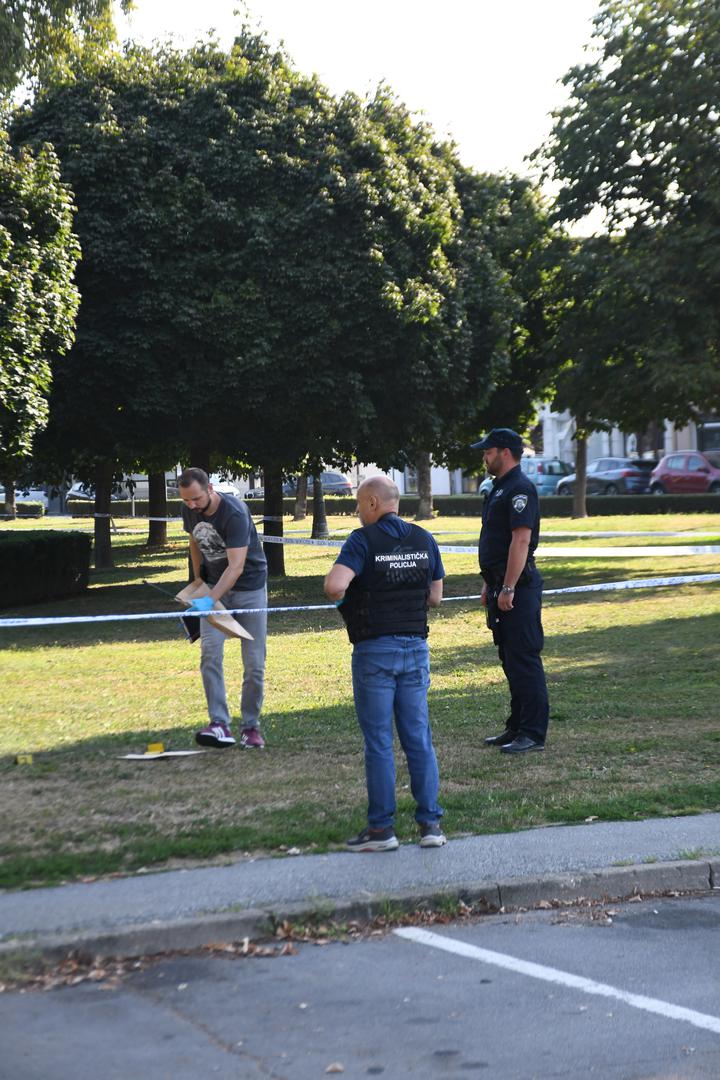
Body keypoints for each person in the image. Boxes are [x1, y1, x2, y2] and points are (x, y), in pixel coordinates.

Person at [324, 476, 446, 852]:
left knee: (379, 741)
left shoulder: (363, 540)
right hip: (415, 648)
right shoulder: (424, 539)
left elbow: (334, 586)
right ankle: (430, 826)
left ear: (374, 502)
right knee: (418, 738)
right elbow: (436, 598)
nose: (357, 512)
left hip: (375, 649)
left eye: (360, 504)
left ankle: (382, 831)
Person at [178, 468, 268, 749]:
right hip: (214, 589)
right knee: (210, 655)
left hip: (250, 590)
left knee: (254, 665)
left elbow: (236, 567)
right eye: (186, 501)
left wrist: (208, 600)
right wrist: (197, 580)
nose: (191, 505)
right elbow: (194, 541)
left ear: (210, 489)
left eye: (196, 499)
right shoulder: (189, 510)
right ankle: (219, 724)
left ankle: (250, 728)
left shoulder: (234, 513)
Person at [473, 428, 549, 753]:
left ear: (504, 452)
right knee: (510, 659)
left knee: (523, 659)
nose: (484, 456)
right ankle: (516, 727)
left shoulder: (520, 489)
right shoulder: (499, 489)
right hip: (500, 585)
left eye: (488, 451)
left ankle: (532, 733)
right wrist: (489, 583)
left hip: (518, 588)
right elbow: (498, 541)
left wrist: (508, 586)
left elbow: (520, 540)